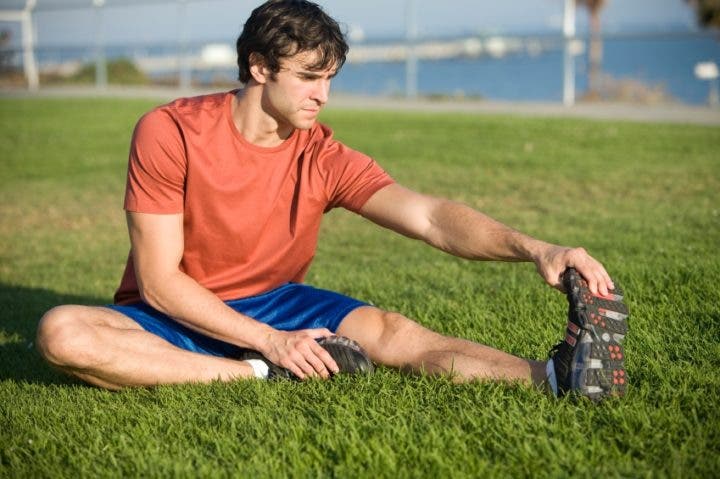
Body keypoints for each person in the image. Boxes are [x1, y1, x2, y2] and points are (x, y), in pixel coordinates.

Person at [36, 0, 628, 400]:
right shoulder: (169, 132)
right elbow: (161, 283)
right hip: (175, 312)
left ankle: (553, 377)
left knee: (393, 332)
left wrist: (537, 248)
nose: (323, 95)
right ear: (259, 66)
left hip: (278, 300)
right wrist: (268, 344)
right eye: (309, 77)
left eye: (330, 78)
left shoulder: (322, 155)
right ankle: (255, 373)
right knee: (63, 332)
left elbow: (430, 218)